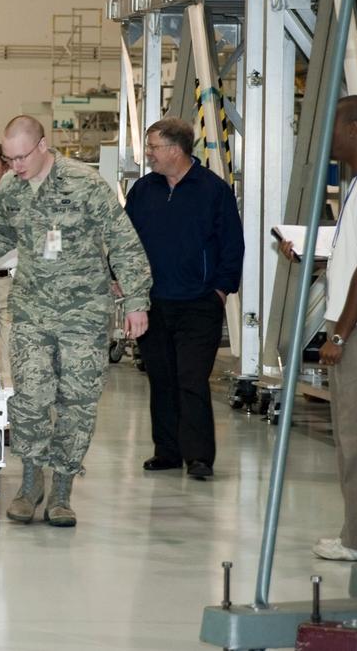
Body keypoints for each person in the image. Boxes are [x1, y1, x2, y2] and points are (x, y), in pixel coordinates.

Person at [0, 116, 151, 528]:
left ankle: (62, 491)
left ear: (42, 146)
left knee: (77, 403)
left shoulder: (85, 183)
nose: (15, 166)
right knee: (31, 401)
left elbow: (123, 241)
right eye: (8, 158)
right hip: (33, 312)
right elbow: (1, 236)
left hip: (84, 315)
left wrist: (137, 301)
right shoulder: (13, 189)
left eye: (21, 157)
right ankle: (31, 482)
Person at [279, 95, 357, 562]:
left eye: (329, 127)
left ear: (352, 127)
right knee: (355, 433)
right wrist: (318, 259)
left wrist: (340, 334)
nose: (323, 138)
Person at [125, 117, 244, 481]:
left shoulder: (213, 190)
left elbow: (232, 245)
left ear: (176, 150)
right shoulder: (143, 191)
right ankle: (167, 451)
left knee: (191, 379)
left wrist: (220, 290)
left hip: (198, 303)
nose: (148, 155)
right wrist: (124, 281)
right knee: (161, 378)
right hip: (153, 302)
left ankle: (199, 457)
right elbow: (124, 241)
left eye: (153, 147)